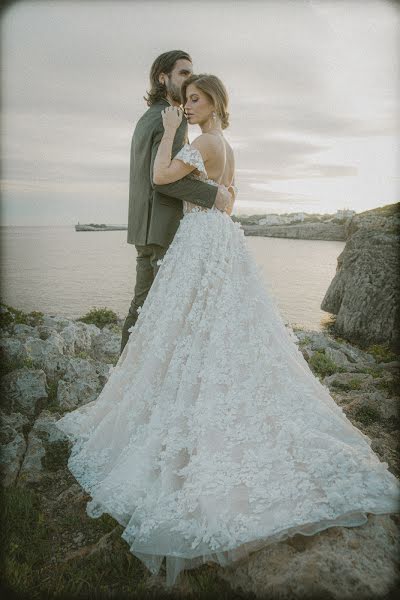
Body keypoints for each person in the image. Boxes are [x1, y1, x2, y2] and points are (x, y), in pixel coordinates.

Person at [55, 74, 400, 588]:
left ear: (214, 101)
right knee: (218, 326)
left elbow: (159, 177)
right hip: (219, 238)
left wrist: (171, 130)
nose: (187, 107)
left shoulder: (202, 141)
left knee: (190, 325)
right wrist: (208, 179)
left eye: (194, 100)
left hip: (201, 239)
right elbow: (228, 198)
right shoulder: (227, 145)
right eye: (184, 101)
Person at [120, 51, 234, 353]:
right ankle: (136, 382)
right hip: (164, 227)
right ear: (163, 78)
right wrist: (214, 195)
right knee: (159, 314)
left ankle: (123, 379)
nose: (188, 82)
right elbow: (161, 179)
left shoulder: (145, 119)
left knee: (142, 308)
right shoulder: (174, 122)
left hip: (143, 228)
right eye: (183, 74)